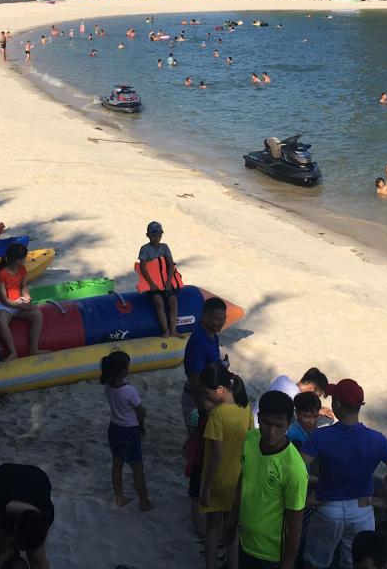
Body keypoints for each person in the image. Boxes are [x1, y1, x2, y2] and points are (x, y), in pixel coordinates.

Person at [300, 379, 387, 569]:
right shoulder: (377, 440)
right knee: (353, 564)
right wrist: (384, 502)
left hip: (328, 508)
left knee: (316, 562)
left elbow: (295, 470)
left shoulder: (320, 436)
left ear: (337, 405)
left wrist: (304, 499)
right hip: (361, 511)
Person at [236, 390, 307, 569]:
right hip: (244, 542)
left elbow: (295, 522)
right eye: (266, 423)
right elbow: (242, 480)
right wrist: (231, 516)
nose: (271, 431)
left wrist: (288, 563)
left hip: (271, 556)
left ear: (289, 424)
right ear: (258, 418)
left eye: (279, 425)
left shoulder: (294, 468)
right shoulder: (250, 440)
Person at [199, 364, 253, 569]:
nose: (206, 396)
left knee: (213, 527)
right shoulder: (245, 408)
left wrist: (206, 486)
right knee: (231, 529)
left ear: (220, 390)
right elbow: (250, 441)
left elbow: (216, 455)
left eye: (207, 392)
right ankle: (233, 565)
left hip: (218, 480)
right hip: (238, 479)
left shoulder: (217, 415)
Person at [101, 350, 152, 510]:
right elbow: (141, 411)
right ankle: (144, 502)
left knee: (117, 465)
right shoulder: (129, 391)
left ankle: (119, 498)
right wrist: (142, 427)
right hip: (129, 431)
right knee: (137, 468)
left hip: (114, 429)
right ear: (123, 370)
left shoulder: (108, 387)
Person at [0, 242, 46, 358]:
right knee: (1, 320)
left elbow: (24, 286)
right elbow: (4, 299)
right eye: (23, 258)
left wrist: (27, 296)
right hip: (4, 305)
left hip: (18, 301)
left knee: (37, 314)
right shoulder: (2, 274)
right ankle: (13, 352)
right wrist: (21, 305)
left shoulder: (22, 269)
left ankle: (34, 349)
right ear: (16, 260)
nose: (24, 260)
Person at [183, 296, 228, 433]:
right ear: (205, 317)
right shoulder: (198, 342)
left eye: (223, 318)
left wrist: (222, 365)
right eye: (217, 319)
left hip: (208, 397)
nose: (221, 323)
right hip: (195, 401)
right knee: (196, 438)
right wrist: (203, 408)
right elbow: (194, 379)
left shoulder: (212, 335)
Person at [138, 221, 180, 338]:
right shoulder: (145, 249)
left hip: (165, 282)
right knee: (158, 301)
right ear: (148, 235)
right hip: (153, 284)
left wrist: (168, 281)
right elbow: (143, 268)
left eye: (159, 235)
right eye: (153, 235)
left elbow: (171, 265)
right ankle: (166, 330)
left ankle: (174, 330)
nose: (157, 238)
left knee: (173, 301)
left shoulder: (165, 247)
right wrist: (151, 284)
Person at [253, 367, 329, 424]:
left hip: (253, 420)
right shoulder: (295, 400)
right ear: (311, 389)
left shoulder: (282, 379)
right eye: (316, 396)